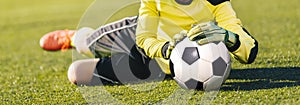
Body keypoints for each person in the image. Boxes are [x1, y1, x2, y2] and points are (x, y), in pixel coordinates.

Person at [40, 0, 258, 86]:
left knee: (75, 73)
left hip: (155, 68)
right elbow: (144, 39)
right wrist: (166, 49)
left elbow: (249, 49)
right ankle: (74, 37)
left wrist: (230, 38)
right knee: (89, 44)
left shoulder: (217, 2)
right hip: (143, 44)